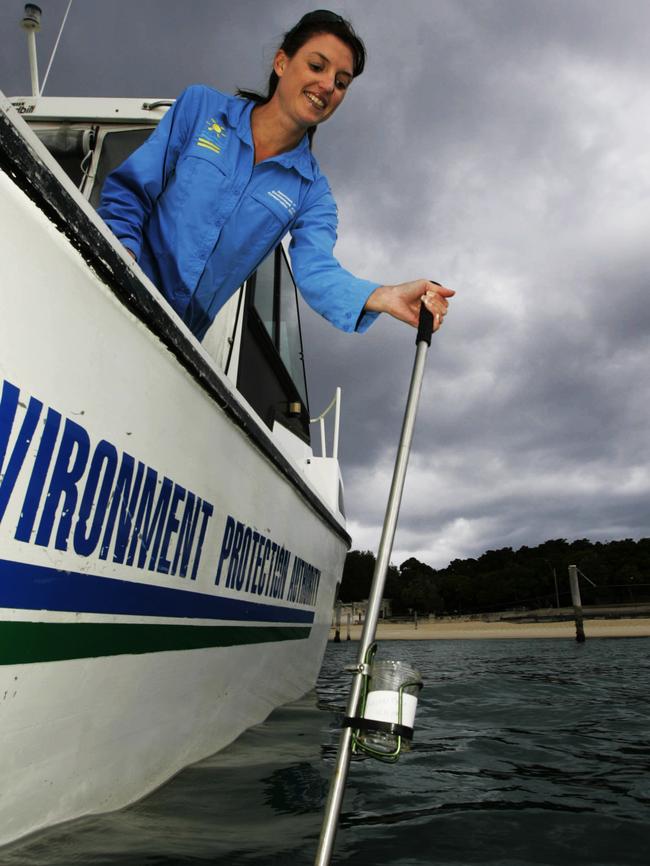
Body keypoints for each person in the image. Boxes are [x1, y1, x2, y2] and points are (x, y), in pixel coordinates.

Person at [98, 9, 454, 341]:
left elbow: (317, 270)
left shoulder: (312, 194)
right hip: (111, 288)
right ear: (282, 62)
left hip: (172, 339)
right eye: (317, 66)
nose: (328, 85)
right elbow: (130, 191)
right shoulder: (200, 108)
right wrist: (122, 258)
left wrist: (384, 295)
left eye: (341, 82)